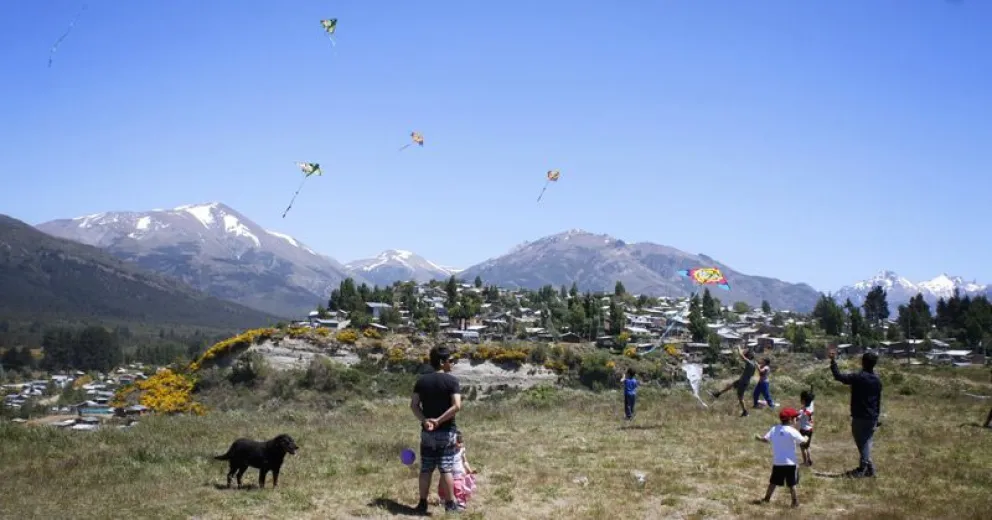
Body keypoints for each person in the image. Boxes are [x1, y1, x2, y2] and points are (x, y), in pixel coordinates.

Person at [411, 345, 463, 514]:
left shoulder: (422, 381)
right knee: (446, 469)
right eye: (450, 360)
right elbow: (457, 406)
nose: (452, 363)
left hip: (427, 432)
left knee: (426, 469)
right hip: (446, 431)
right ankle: (450, 504)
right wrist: (439, 420)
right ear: (442, 362)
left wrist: (425, 420)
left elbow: (414, 405)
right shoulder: (452, 381)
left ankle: (422, 503)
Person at [829, 347, 882, 478]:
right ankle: (870, 470)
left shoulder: (858, 377)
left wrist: (833, 361)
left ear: (863, 362)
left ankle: (862, 469)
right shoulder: (877, 380)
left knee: (862, 443)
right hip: (872, 416)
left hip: (860, 416)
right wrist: (877, 416)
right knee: (866, 442)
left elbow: (838, 376)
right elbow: (878, 400)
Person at [754, 407, 808, 508]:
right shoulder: (792, 431)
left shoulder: (774, 429)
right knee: (792, 484)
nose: (796, 420)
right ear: (790, 419)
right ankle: (794, 502)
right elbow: (803, 441)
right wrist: (806, 437)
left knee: (773, 482)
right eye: (795, 418)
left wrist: (759, 438)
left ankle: (766, 498)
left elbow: (765, 439)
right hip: (790, 463)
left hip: (778, 462)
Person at [711, 346, 758, 417]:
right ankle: (718, 394)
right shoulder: (753, 364)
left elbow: (742, 356)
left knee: (740, 397)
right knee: (731, 385)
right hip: (743, 380)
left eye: (747, 355)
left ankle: (745, 412)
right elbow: (752, 374)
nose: (746, 356)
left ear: (749, 357)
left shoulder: (750, 363)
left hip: (743, 382)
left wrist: (739, 348)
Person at [437, 431, 477, 507]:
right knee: (443, 487)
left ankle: (460, 502)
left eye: (461, 442)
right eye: (458, 442)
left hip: (458, 474)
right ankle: (443, 500)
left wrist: (470, 470)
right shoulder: (446, 450)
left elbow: (465, 462)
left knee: (458, 488)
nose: (460, 444)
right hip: (447, 473)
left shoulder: (462, 450)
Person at [798, 388, 815, 466]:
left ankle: (805, 462)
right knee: (807, 446)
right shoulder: (811, 405)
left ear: (804, 400)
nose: (800, 400)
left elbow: (798, 417)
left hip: (804, 431)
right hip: (810, 430)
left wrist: (799, 414)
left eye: (801, 399)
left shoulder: (804, 412)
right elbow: (811, 400)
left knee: (802, 447)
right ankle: (810, 460)